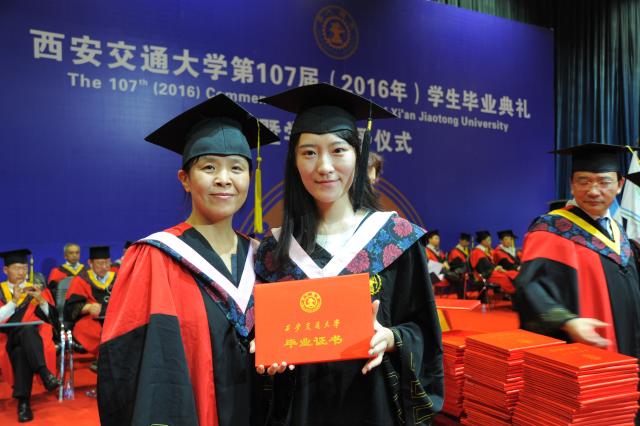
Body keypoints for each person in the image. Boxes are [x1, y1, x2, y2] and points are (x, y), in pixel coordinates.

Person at [256, 83, 443, 425]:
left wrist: (392, 338)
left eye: (338, 150)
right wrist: (266, 357)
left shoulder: (395, 239)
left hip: (373, 407)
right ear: (294, 162)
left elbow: (424, 331)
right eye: (309, 153)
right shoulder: (273, 252)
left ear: (358, 155)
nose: (324, 166)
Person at [97, 94, 279, 426]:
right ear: (184, 178)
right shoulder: (155, 257)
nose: (224, 178)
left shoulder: (264, 258)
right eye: (209, 167)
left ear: (249, 179)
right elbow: (128, 361)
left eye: (236, 168)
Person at [515, 143, 640, 358]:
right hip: (586, 350)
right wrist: (567, 321)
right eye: (584, 181)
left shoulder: (618, 231)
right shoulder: (551, 229)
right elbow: (529, 286)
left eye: (604, 182)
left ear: (619, 185)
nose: (593, 191)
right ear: (572, 185)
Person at [0, 249, 60, 423]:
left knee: (21, 350)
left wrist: (41, 301)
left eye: (24, 268)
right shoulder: (0, 291)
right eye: (16, 268)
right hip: (6, 338)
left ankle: (23, 403)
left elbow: (52, 319)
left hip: (32, 340)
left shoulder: (36, 289)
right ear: (6, 270)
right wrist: (13, 302)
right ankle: (44, 373)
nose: (21, 272)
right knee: (25, 331)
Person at [63, 246, 115, 356]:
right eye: (100, 263)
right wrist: (88, 307)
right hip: (90, 320)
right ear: (90, 263)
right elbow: (70, 308)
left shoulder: (117, 278)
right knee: (100, 335)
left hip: (113, 319)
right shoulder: (81, 280)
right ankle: (103, 360)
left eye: (107, 263)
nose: (104, 267)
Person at [447, 232, 472, 298]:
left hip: (467, 272)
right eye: (465, 241)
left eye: (468, 241)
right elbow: (455, 265)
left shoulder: (469, 250)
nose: (467, 243)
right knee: (460, 277)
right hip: (457, 273)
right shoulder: (454, 251)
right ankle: (462, 296)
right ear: (460, 240)